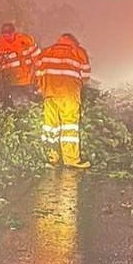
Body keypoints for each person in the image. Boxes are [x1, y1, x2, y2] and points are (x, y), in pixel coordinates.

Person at [36, 33, 91, 169]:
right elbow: (85, 76)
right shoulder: (78, 52)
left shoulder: (46, 52)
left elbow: (37, 73)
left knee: (50, 127)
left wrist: (42, 88)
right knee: (69, 127)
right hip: (69, 95)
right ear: (73, 42)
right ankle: (71, 159)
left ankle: (51, 158)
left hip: (49, 94)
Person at [0, 22, 41, 106]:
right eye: (4, 35)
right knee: (19, 103)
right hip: (11, 81)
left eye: (9, 34)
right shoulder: (0, 44)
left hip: (27, 79)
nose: (7, 37)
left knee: (28, 102)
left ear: (14, 32)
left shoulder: (25, 41)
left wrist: (38, 75)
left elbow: (37, 58)